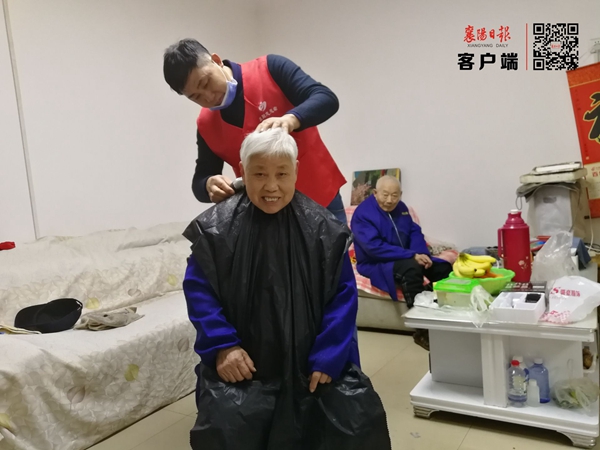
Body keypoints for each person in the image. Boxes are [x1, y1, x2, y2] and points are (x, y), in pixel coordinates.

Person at [182, 129, 390, 450]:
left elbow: (343, 297)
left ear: (296, 171)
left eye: (281, 174)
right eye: (259, 174)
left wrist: (329, 355)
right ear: (242, 171)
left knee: (349, 425)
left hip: (312, 363)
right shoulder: (215, 230)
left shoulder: (325, 230)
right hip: (243, 365)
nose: (271, 186)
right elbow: (199, 292)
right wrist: (223, 346)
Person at [163, 39, 348, 223]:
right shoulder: (207, 125)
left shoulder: (270, 69)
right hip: (268, 213)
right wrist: (208, 185)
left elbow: (326, 98)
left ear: (216, 60)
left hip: (320, 196)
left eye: (205, 83)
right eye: (196, 97)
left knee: (335, 242)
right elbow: (201, 179)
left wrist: (290, 120)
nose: (209, 97)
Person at [350, 175, 452, 350]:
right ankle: (422, 330)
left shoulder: (402, 208)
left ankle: (447, 318)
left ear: (401, 194)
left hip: (405, 256)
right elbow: (373, 248)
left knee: (444, 268)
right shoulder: (363, 214)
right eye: (385, 195)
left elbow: (414, 231)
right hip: (376, 262)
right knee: (412, 270)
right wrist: (411, 255)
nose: (390, 200)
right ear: (375, 193)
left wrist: (421, 253)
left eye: (395, 195)